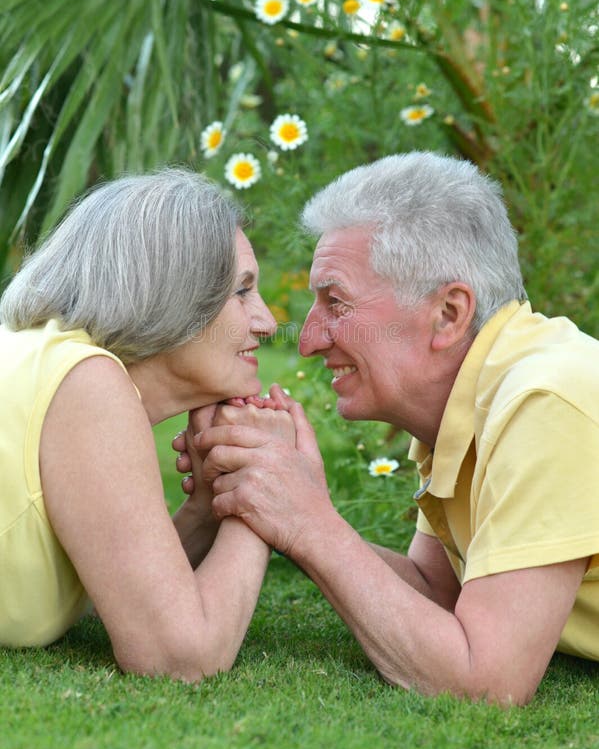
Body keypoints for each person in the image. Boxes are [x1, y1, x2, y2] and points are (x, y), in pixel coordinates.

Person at [186, 151, 599, 705]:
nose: (307, 340)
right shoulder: (472, 395)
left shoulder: (544, 400)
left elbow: (486, 681)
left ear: (449, 314)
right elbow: (437, 594)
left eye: (336, 303)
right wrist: (286, 506)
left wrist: (307, 521)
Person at [0, 167, 292, 681]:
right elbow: (178, 655)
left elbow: (125, 587)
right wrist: (265, 485)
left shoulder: (50, 363)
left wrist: (205, 508)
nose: (267, 322)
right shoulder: (85, 383)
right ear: (173, 294)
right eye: (242, 292)